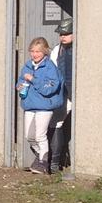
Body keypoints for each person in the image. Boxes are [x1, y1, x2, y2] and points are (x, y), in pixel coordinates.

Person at [16, 36, 65, 174]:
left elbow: (49, 88)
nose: (34, 54)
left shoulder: (50, 67)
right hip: (30, 105)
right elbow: (20, 81)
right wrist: (19, 86)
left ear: (44, 52)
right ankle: (40, 155)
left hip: (44, 106)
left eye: (38, 51)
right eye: (32, 51)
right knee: (29, 136)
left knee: (40, 136)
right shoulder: (27, 65)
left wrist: (33, 79)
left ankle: (43, 163)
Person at [48, 17, 74, 176]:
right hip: (64, 91)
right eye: (61, 34)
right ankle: (55, 164)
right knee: (57, 123)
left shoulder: (81, 48)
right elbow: (53, 71)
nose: (63, 36)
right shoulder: (57, 50)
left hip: (80, 91)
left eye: (66, 33)